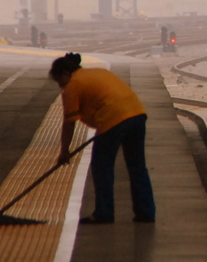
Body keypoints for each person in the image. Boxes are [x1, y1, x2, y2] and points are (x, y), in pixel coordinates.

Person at [49, 52, 156, 224]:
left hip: (112, 118)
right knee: (137, 167)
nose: (60, 85)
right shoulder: (98, 72)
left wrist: (64, 151)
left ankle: (104, 213)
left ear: (65, 73)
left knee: (102, 166)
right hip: (137, 114)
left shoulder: (72, 86)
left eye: (59, 81)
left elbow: (69, 123)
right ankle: (146, 213)